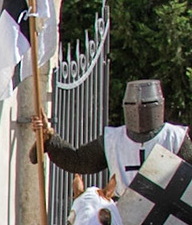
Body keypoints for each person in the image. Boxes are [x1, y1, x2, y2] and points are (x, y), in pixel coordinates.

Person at [45, 78, 188, 192]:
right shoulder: (113, 140)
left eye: (147, 103)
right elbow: (78, 161)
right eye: (132, 104)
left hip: (170, 216)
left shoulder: (176, 138)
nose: (139, 109)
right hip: (122, 216)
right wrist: (50, 139)